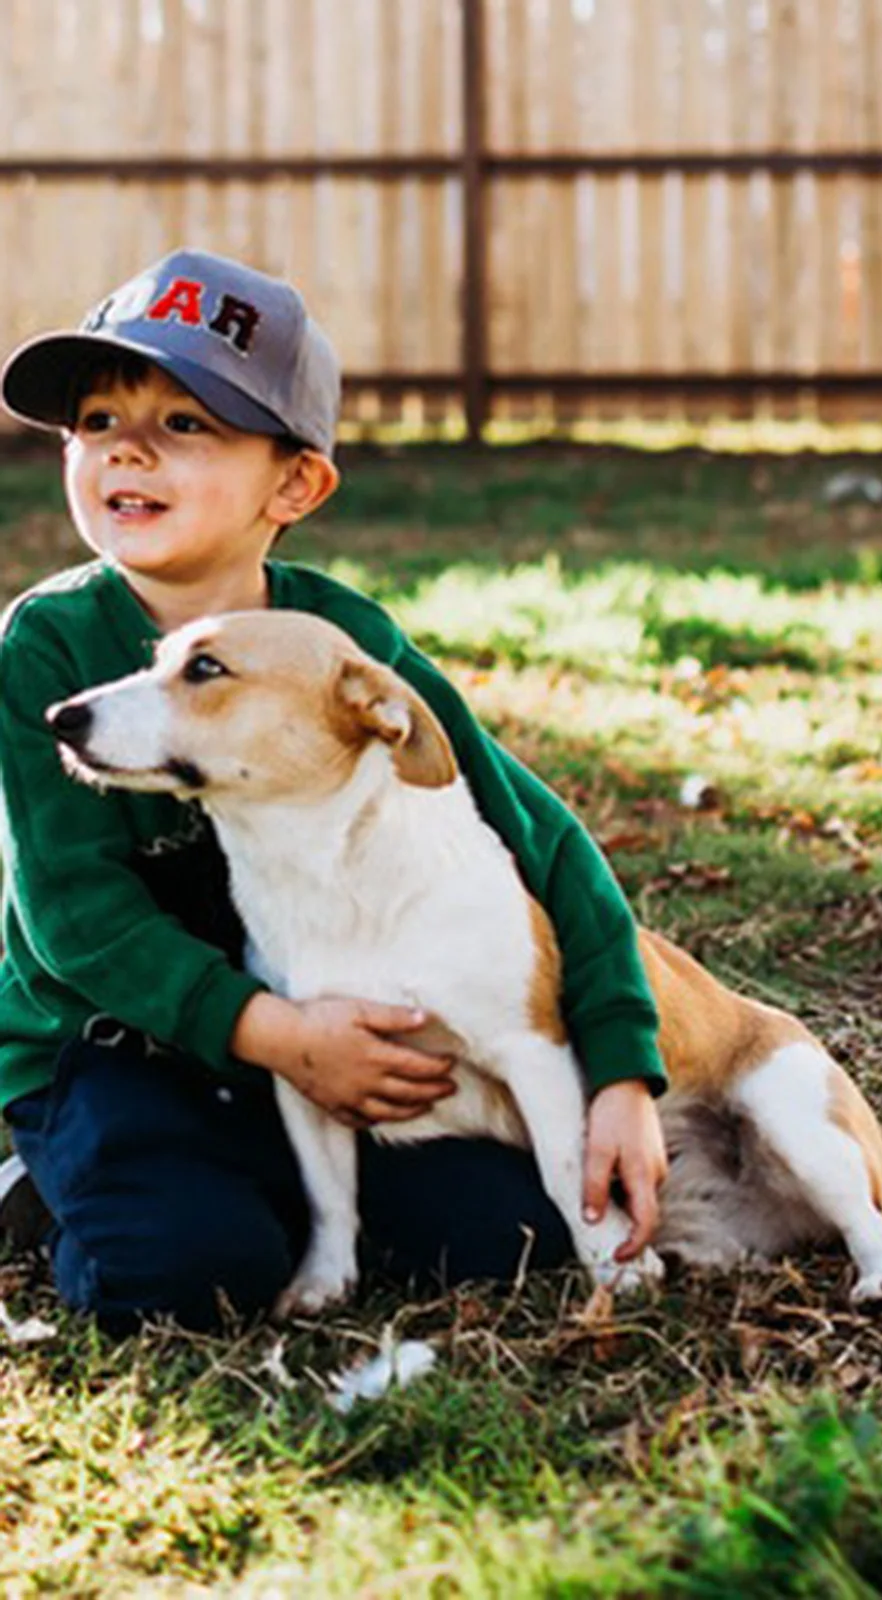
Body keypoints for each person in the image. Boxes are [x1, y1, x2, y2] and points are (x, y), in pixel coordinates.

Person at [0, 248, 669, 1333]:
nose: (126, 445)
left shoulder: (344, 646)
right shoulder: (48, 648)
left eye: (184, 424)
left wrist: (624, 1075)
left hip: (316, 1057)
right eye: (96, 418)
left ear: (296, 482)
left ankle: (246, 1187)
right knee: (185, 1275)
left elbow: (538, 839)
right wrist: (279, 1037)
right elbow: (74, 922)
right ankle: (56, 1188)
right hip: (115, 1047)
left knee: (510, 1238)